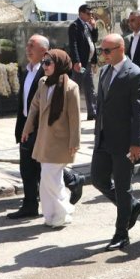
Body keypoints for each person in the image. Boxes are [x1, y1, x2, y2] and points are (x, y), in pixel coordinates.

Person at [91, 33, 140, 250]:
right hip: (104, 138)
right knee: (97, 179)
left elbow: (139, 112)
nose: (103, 55)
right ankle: (131, 206)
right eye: (101, 50)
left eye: (107, 50)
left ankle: (121, 233)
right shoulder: (105, 72)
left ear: (120, 49)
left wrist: (137, 143)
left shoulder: (136, 75)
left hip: (125, 141)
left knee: (123, 187)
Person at [21, 49, 84, 228]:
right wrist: (27, 128)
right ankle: (52, 216)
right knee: (49, 179)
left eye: (48, 62)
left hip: (61, 141)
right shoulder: (43, 83)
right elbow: (34, 107)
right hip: (44, 139)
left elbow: (75, 118)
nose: (45, 66)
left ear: (60, 64)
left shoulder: (71, 87)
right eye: (44, 62)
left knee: (49, 178)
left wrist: (75, 142)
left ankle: (63, 210)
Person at [10, 35, 49, 220]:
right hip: (25, 125)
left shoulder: (46, 72)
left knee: (42, 167)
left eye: (32, 45)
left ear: (43, 51)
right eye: (27, 45)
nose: (28, 48)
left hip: (40, 128)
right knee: (26, 168)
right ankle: (30, 205)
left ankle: (71, 181)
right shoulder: (27, 71)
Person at [67, 4, 98, 121]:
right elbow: (73, 44)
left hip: (88, 62)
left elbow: (94, 40)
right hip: (81, 63)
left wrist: (94, 27)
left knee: (90, 87)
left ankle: (92, 111)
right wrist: (76, 61)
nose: (91, 16)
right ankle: (72, 112)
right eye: (88, 14)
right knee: (76, 87)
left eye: (91, 14)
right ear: (81, 13)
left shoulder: (87, 25)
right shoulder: (75, 26)